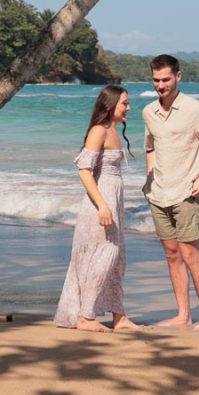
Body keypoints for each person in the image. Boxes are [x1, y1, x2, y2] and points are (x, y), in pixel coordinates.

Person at [143, 54, 199, 331]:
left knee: (190, 255)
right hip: (159, 194)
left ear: (178, 76)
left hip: (186, 193)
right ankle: (183, 315)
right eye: (156, 80)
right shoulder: (148, 112)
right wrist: (149, 176)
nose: (160, 85)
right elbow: (150, 147)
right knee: (171, 254)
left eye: (165, 79)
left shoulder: (195, 110)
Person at [54, 85, 139, 333]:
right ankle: (85, 317)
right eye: (124, 103)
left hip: (114, 199)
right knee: (104, 256)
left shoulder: (113, 130)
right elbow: (84, 171)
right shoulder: (99, 130)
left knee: (117, 258)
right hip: (100, 202)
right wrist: (102, 205)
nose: (128, 108)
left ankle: (119, 316)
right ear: (111, 105)